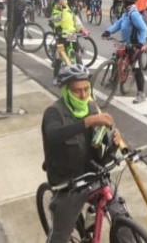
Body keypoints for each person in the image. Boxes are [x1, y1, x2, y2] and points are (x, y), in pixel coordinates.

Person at [41, 64, 125, 243]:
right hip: (68, 183)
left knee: (121, 214)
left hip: (94, 176)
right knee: (60, 236)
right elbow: (53, 136)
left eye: (86, 89)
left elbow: (100, 146)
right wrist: (87, 122)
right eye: (77, 91)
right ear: (65, 91)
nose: (83, 95)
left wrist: (112, 144)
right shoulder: (54, 113)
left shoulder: (92, 108)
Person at [102, 0, 147, 103]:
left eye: (123, 0)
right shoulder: (126, 13)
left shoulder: (134, 14)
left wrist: (141, 42)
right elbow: (118, 24)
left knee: (136, 68)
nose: (122, 2)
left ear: (126, 2)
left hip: (136, 45)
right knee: (117, 56)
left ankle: (141, 93)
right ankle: (113, 81)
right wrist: (108, 31)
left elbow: (144, 29)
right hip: (126, 43)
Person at [50, 0, 89, 85]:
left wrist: (83, 30)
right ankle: (56, 77)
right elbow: (56, 22)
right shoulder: (56, 11)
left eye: (64, 0)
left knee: (77, 53)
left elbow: (76, 21)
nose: (64, 1)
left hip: (71, 34)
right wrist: (62, 11)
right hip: (61, 36)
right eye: (61, 0)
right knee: (59, 57)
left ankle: (80, 73)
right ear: (57, 2)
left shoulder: (69, 10)